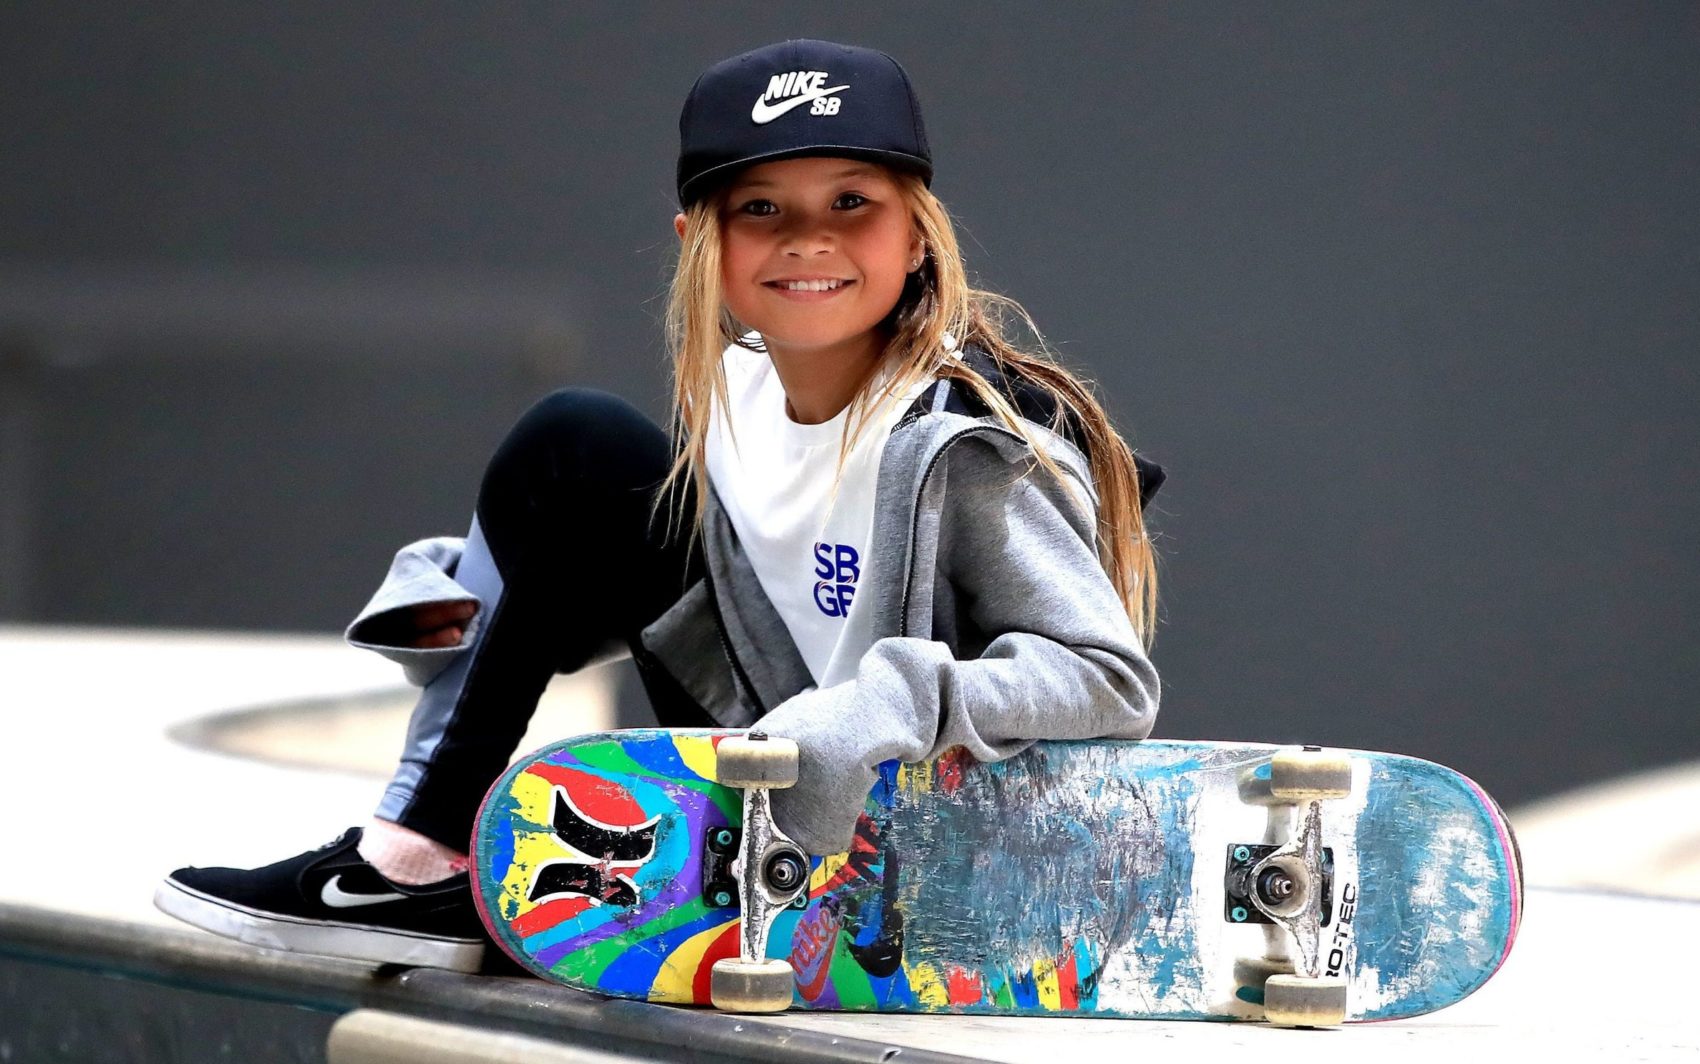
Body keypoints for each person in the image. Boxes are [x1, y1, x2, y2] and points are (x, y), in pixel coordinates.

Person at [154, 38, 1164, 973]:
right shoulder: (742, 398)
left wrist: (881, 704)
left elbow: (1105, 675)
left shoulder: (963, 441)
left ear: (916, 236)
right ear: (699, 240)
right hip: (762, 790)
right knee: (577, 450)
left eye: (851, 201)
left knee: (585, 448)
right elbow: (651, 580)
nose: (809, 240)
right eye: (760, 208)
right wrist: (479, 589)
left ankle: (452, 862)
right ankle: (415, 859)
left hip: (907, 842)